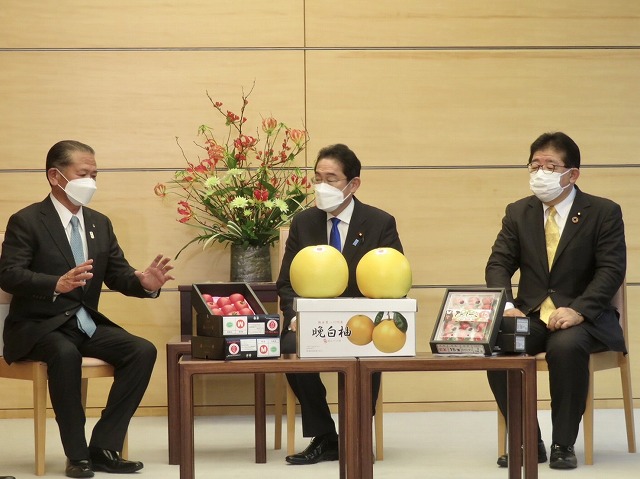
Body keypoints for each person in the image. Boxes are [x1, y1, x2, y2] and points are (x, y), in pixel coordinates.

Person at [0, 140, 175, 478]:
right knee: (65, 354)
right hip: (38, 326)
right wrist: (56, 283)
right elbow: (9, 274)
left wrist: (144, 283)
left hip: (82, 323)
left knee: (141, 351)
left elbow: (118, 274)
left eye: (94, 175)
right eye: (83, 174)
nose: (90, 182)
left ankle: (104, 447)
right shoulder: (27, 221)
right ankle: (77, 455)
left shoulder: (99, 223)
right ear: (55, 176)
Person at [485, 132, 626, 470]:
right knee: (497, 344)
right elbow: (498, 264)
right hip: (532, 314)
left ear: (572, 174)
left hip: (584, 318)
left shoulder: (603, 212)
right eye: (535, 165)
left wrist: (579, 310)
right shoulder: (518, 212)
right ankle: (527, 440)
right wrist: (508, 307)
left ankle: (564, 443)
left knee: (566, 347)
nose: (540, 173)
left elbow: (611, 270)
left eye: (550, 166)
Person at [277, 143, 403, 465]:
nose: (322, 186)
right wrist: (294, 316)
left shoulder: (379, 222)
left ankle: (356, 433)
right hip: (313, 322)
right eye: (317, 178)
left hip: (361, 322)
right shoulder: (304, 223)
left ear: (353, 184)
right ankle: (325, 436)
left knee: (372, 346)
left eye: (331, 179)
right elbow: (286, 284)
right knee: (289, 345)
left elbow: (394, 283)